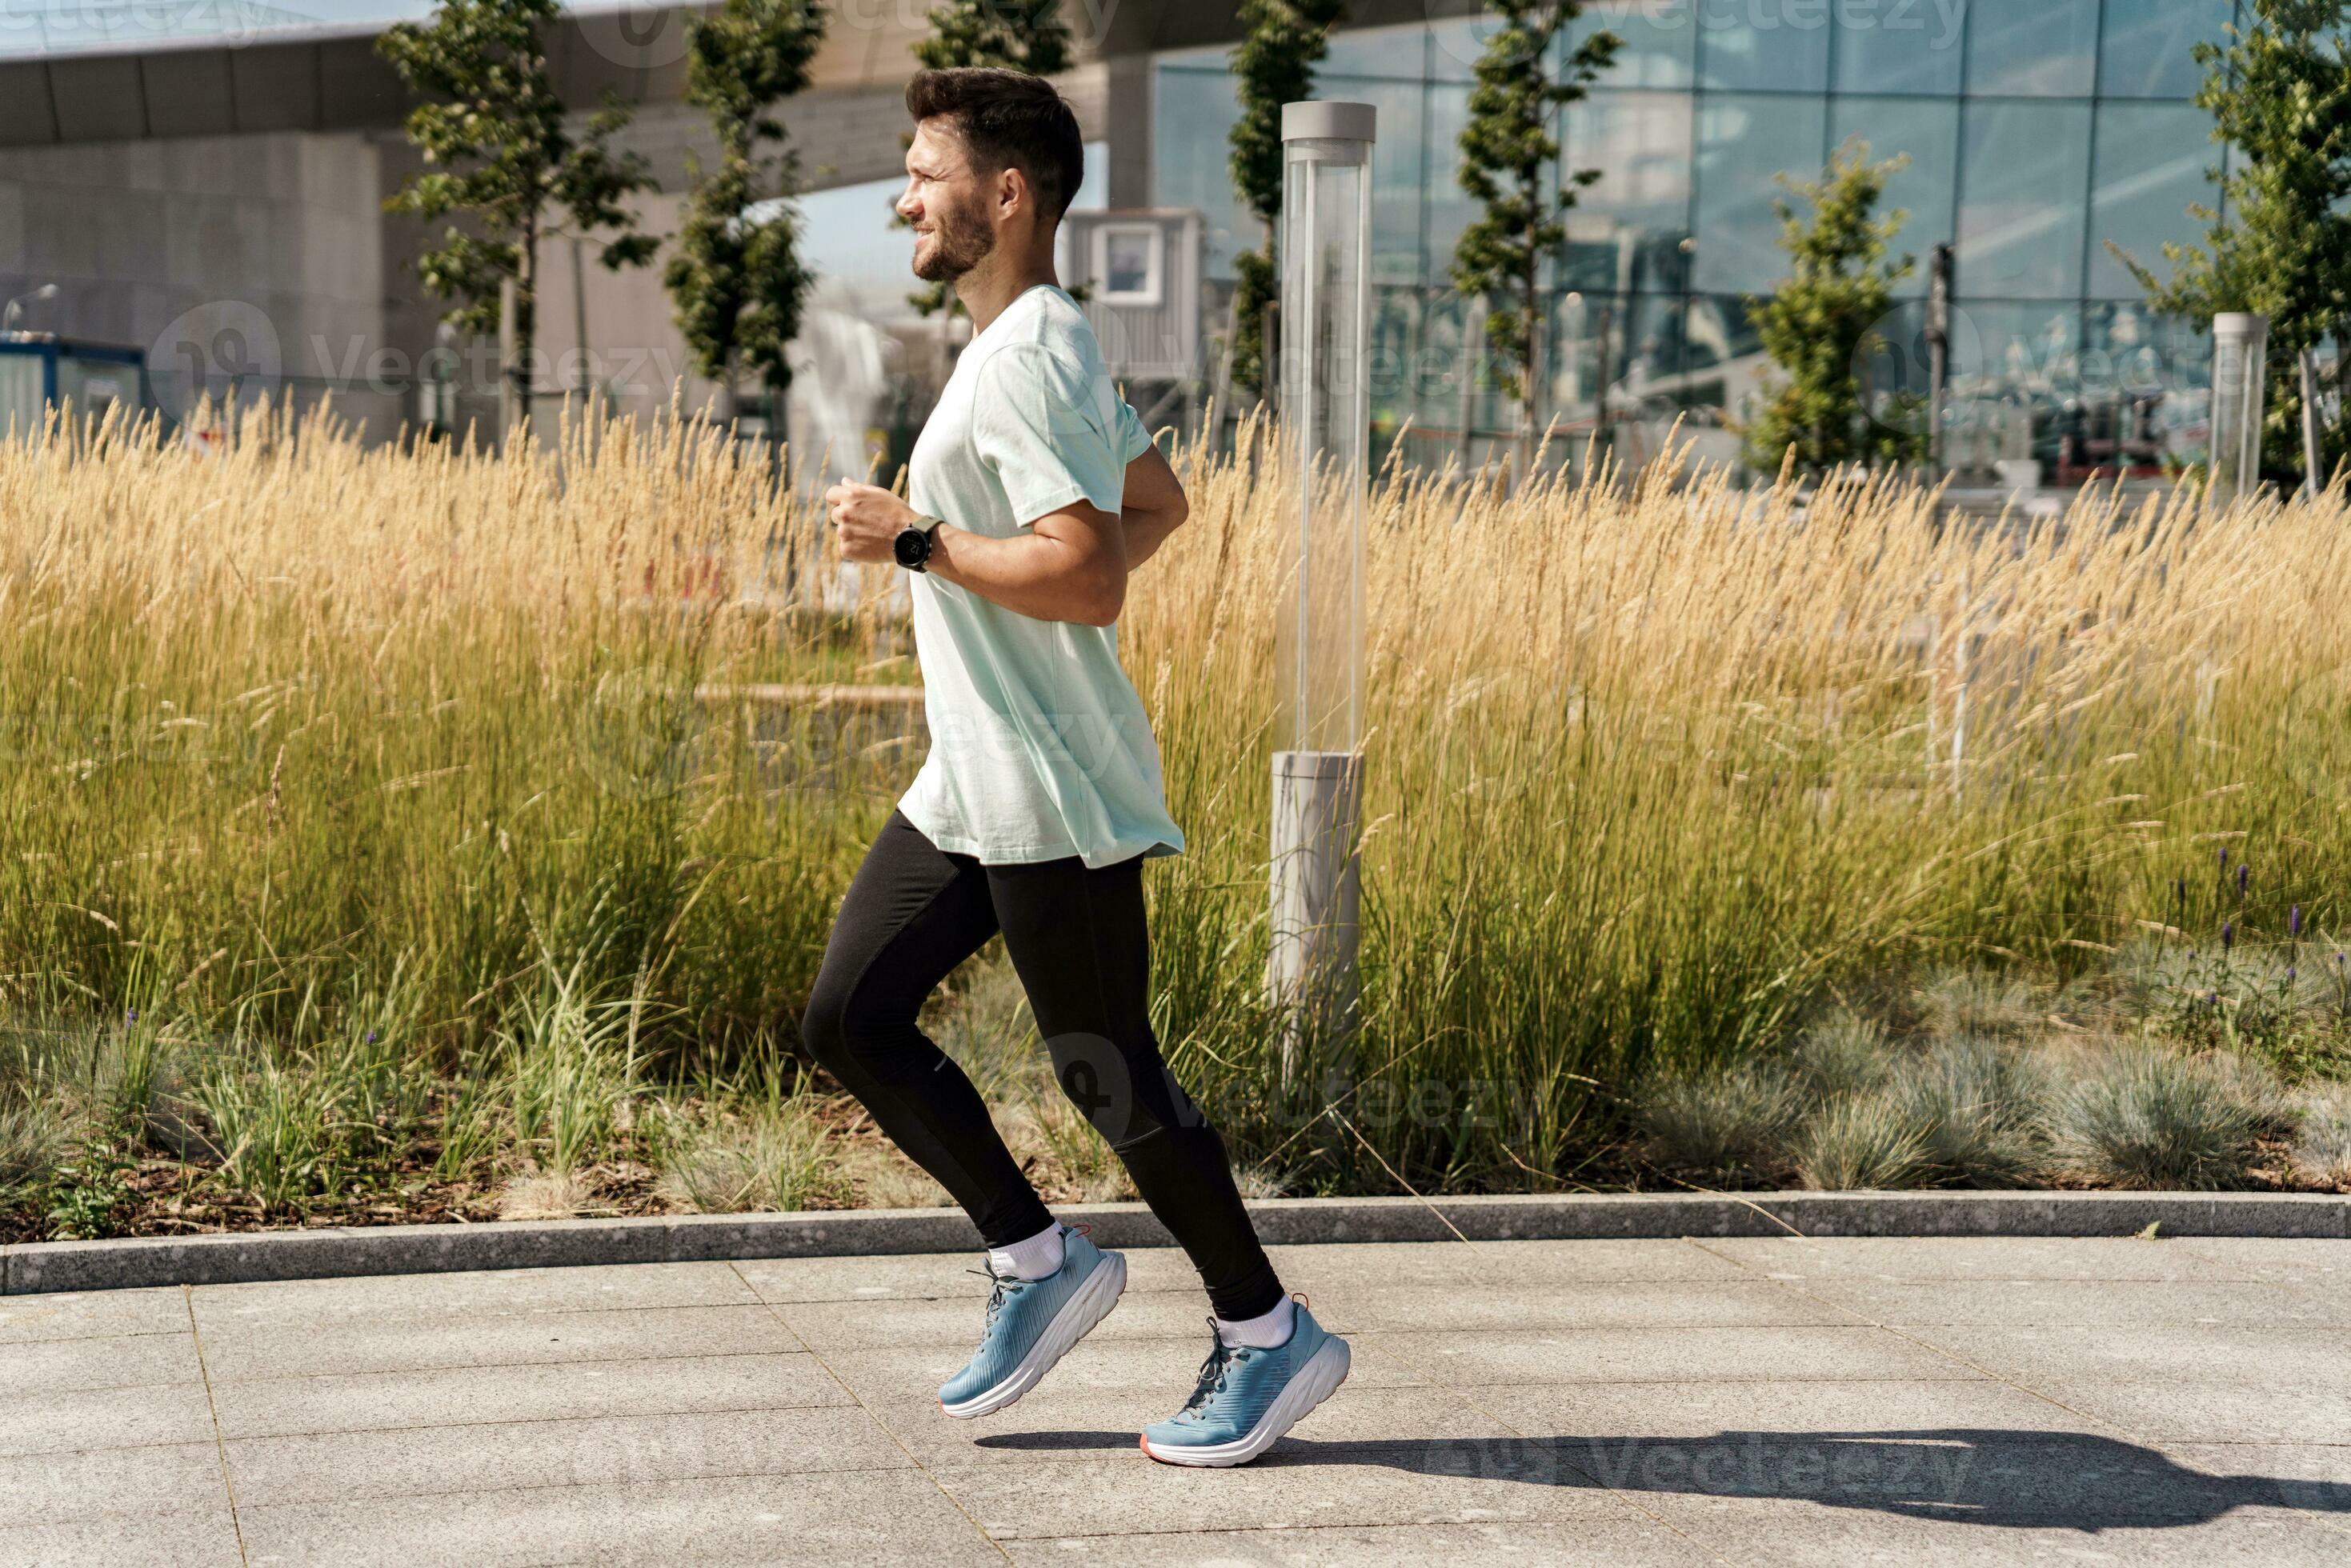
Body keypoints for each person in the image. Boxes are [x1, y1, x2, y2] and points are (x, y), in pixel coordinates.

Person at [807, 67, 1348, 1468]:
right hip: (972, 781)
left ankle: (1266, 1333)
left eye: (923, 172)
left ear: (1006, 195)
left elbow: (1093, 572)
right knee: (849, 1019)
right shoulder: (1029, 346)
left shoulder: (1035, 350)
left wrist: (918, 540)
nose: (902, 197)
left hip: (1049, 787)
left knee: (1109, 1076)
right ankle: (1039, 1261)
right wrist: (1008, 608)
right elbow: (1158, 502)